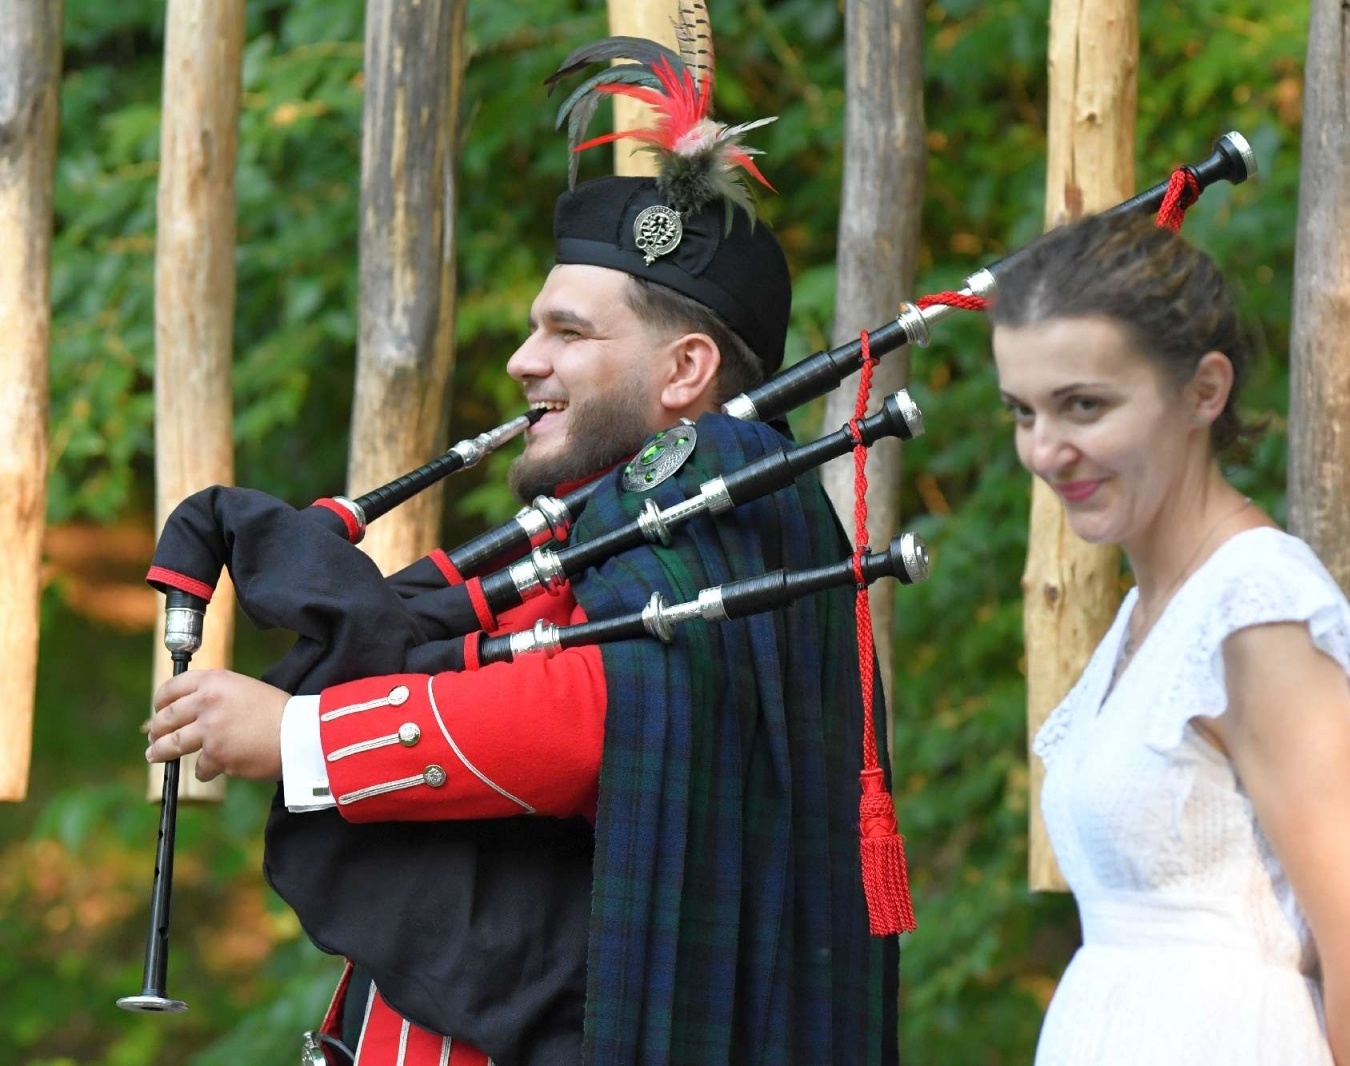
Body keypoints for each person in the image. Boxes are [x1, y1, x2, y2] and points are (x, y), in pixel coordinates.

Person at [142, 38, 899, 1066]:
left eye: (568, 332)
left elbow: (596, 715)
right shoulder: (616, 515)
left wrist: (304, 736)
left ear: (685, 370)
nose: (522, 359)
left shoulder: (716, 489)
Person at [988, 211, 1350, 1066]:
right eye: (1024, 412)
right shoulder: (1148, 613)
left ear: (1204, 390)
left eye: (1083, 405)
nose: (1047, 451)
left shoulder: (1255, 613)